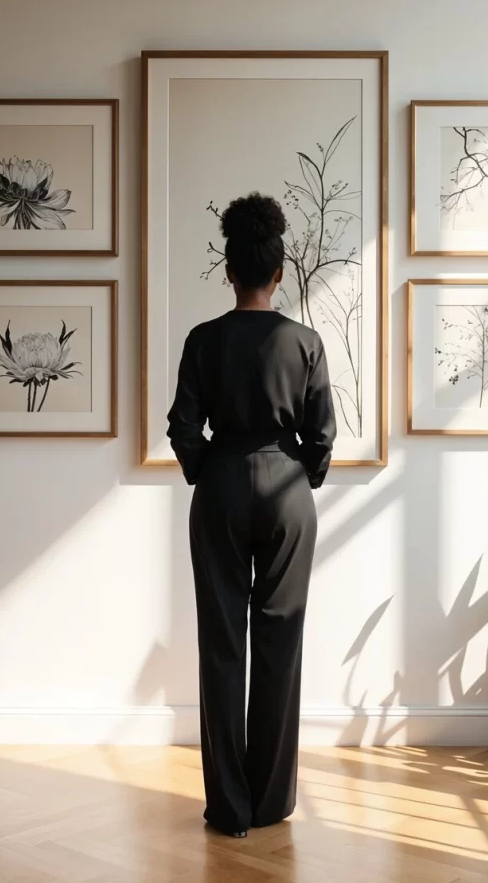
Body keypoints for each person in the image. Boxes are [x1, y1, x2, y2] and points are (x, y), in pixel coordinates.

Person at [167, 192, 337, 838]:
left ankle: (229, 808)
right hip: (288, 492)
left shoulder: (203, 340)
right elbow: (322, 436)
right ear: (279, 272)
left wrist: (211, 470)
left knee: (221, 645)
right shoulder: (306, 342)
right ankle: (270, 803)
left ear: (229, 271)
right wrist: (298, 474)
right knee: (279, 643)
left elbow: (184, 428)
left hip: (221, 490)